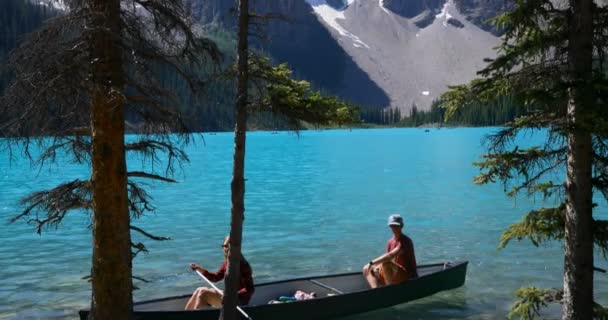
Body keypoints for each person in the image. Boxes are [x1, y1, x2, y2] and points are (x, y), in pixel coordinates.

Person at [185, 236, 255, 310]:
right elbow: (216, 277)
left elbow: (250, 289)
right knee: (199, 289)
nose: (226, 249)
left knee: (203, 292)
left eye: (229, 246)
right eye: (224, 246)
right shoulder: (227, 263)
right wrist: (199, 269)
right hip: (227, 296)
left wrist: (232, 295)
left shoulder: (243, 265)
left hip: (239, 301)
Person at [362, 214, 417, 288]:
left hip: (408, 276)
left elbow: (390, 255)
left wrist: (371, 263)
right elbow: (389, 259)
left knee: (385, 264)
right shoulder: (390, 242)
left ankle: (389, 290)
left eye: (396, 226)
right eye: (392, 226)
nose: (394, 228)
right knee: (367, 268)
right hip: (394, 274)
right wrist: (374, 267)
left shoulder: (406, 241)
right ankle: (375, 291)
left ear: (401, 226)